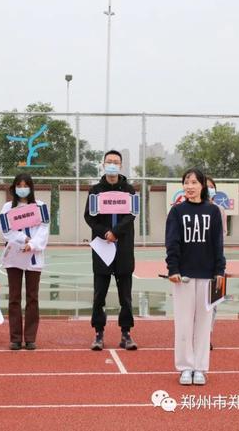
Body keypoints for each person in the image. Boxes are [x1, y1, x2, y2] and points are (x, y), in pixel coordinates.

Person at [165, 168, 225, 386]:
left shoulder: (213, 211)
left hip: (208, 276)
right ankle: (185, 367)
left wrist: (220, 270)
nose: (189, 186)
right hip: (184, 277)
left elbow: (218, 244)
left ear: (203, 186)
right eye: (186, 182)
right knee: (183, 323)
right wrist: (173, 269)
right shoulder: (177, 212)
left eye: (194, 182)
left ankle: (200, 367)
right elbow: (172, 243)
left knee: (203, 323)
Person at [84, 150, 137, 351]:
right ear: (103, 164)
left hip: (123, 249)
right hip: (102, 248)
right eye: (109, 161)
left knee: (126, 296)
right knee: (99, 295)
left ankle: (126, 334)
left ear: (121, 166)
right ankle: (98, 333)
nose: (112, 165)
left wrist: (116, 232)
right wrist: (105, 233)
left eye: (116, 162)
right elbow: (89, 217)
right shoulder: (95, 190)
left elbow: (132, 215)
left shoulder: (129, 190)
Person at [0, 173, 49, 351]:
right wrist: (23, 240)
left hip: (34, 257)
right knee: (14, 297)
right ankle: (15, 338)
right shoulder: (6, 208)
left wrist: (33, 244)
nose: (22, 188)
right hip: (15, 257)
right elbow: (6, 230)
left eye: (25, 184)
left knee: (32, 297)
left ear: (31, 187)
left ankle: (30, 338)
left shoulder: (41, 206)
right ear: (14, 187)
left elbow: (44, 229)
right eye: (18, 185)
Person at [205, 175, 227, 351]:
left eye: (212, 186)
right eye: (206, 186)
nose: (209, 189)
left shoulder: (219, 210)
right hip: (195, 265)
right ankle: (193, 335)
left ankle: (207, 335)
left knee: (213, 303)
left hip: (215, 265)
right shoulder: (184, 210)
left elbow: (221, 238)